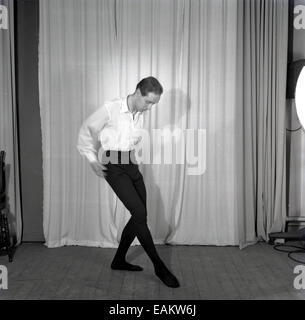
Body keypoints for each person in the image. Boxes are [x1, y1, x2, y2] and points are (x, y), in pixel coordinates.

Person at [77, 77, 180, 288]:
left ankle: (118, 260)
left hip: (131, 163)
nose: (150, 108)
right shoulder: (111, 108)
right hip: (113, 166)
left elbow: (128, 141)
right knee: (140, 214)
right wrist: (91, 158)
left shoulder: (139, 113)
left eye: (154, 104)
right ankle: (159, 267)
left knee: (140, 213)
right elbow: (87, 130)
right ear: (137, 93)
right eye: (148, 102)